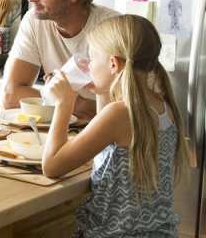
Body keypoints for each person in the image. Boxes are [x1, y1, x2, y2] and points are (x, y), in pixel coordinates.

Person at [42, 15, 188, 237]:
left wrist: (64, 104)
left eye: (92, 57)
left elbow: (52, 166)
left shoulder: (119, 113)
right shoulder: (163, 106)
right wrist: (102, 91)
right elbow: (108, 137)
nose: (89, 65)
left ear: (113, 64)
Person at [2, 0, 119, 120]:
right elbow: (11, 96)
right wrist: (63, 99)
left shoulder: (113, 29)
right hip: (62, 129)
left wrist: (67, 101)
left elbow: (132, 109)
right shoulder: (34, 21)